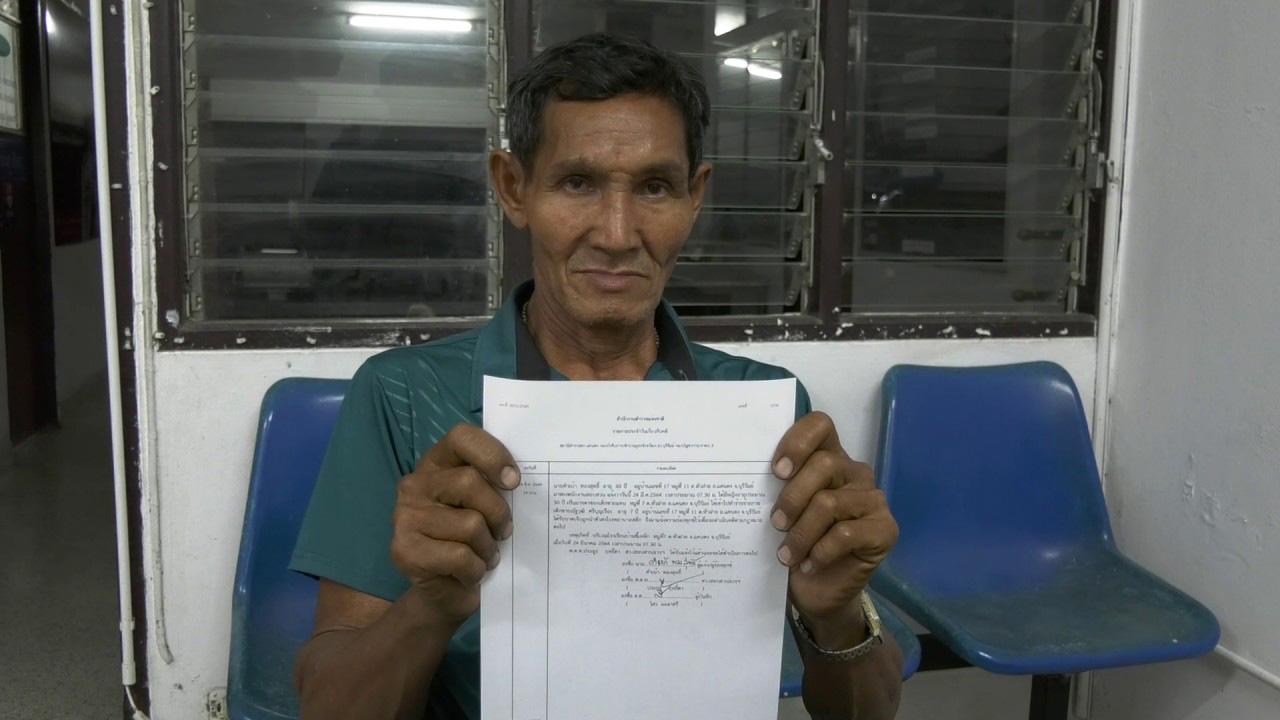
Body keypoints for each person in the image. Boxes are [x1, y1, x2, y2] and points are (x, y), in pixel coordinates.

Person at [290, 33, 902, 720]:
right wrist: (430, 606)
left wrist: (837, 612)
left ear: (695, 197)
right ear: (514, 188)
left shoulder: (763, 411)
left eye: (655, 187)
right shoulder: (405, 396)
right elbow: (331, 708)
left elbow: (867, 713)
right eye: (578, 183)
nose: (616, 234)